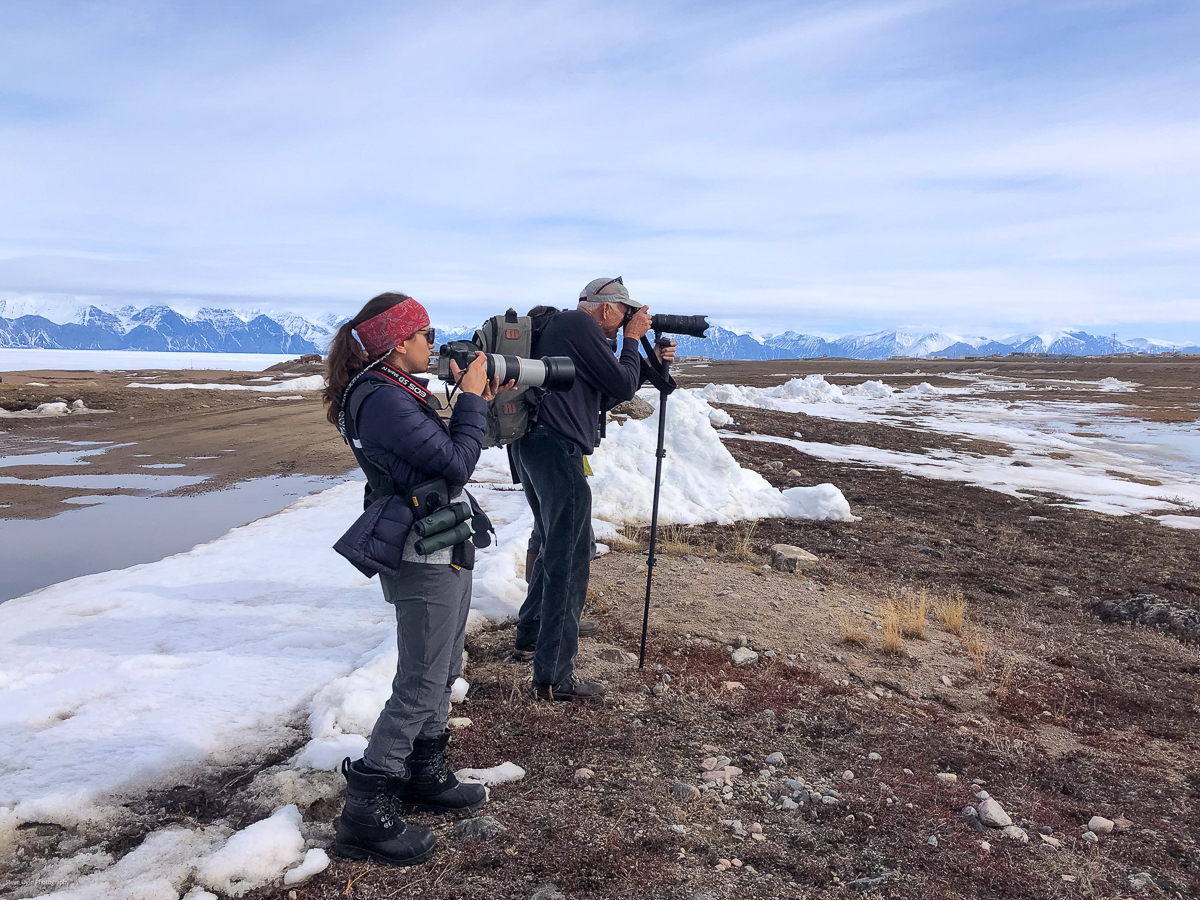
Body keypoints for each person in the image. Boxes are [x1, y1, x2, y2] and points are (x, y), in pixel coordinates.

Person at [322, 291, 505, 867]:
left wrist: (475, 402)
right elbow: (456, 463)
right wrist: (469, 401)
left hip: (443, 539)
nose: (433, 343)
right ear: (399, 342)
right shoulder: (380, 398)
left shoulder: (396, 390)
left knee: (443, 668)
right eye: (425, 334)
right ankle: (365, 812)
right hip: (421, 552)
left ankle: (424, 772)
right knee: (421, 680)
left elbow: (444, 455)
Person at [511, 277, 676, 700]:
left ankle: (532, 633)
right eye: (625, 313)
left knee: (556, 543)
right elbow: (619, 385)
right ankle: (554, 676)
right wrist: (633, 340)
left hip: (536, 448)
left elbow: (606, 392)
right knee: (569, 559)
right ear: (606, 308)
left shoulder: (565, 330)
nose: (626, 320)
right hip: (555, 450)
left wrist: (646, 359)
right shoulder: (580, 325)